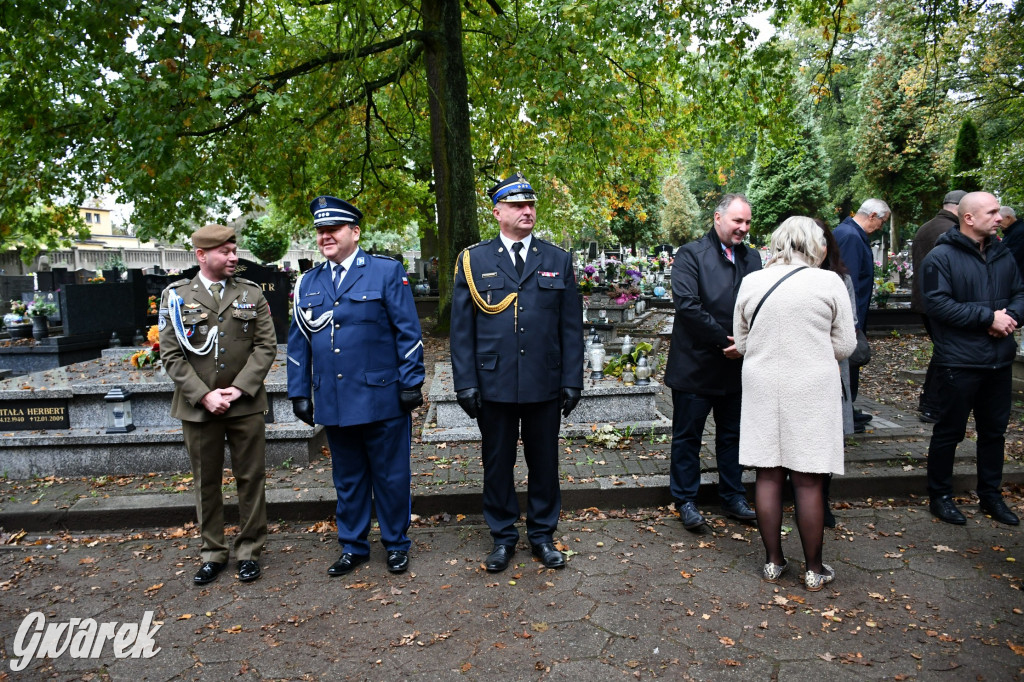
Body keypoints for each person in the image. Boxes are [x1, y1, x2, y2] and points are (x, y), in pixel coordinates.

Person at [450, 172, 584, 572]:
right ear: (497, 212)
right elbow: (462, 330)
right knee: (497, 463)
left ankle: (542, 535)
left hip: (545, 380)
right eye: (517, 205)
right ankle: (503, 536)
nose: (527, 211)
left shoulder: (557, 259)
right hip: (494, 383)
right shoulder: (474, 260)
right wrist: (466, 383)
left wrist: (572, 379)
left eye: (531, 205)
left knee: (544, 463)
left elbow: (571, 326)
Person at [287, 196, 425, 576]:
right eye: (320, 231)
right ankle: (353, 546)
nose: (325, 237)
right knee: (347, 478)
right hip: (333, 398)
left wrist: (412, 382)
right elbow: (298, 342)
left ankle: (396, 544)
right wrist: (299, 391)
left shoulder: (384, 272)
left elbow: (408, 332)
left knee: (391, 476)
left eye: (332, 229)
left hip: (383, 397)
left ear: (355, 232)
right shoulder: (308, 282)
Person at [734, 217, 857, 591]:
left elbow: (741, 343)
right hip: (810, 387)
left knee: (767, 474)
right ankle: (814, 569)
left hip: (762, 385)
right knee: (807, 479)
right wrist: (812, 351)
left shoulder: (752, 281)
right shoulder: (828, 281)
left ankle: (773, 562)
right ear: (814, 244)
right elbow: (846, 346)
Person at [159, 224, 277, 585]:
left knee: (251, 478)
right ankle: (212, 552)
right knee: (205, 482)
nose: (233, 257)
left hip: (245, 405)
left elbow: (265, 346)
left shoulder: (251, 293)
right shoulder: (176, 296)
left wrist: (239, 389)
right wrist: (204, 394)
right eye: (225, 252)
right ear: (201, 255)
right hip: (198, 407)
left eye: (234, 250)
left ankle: (249, 551)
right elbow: (171, 354)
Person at [920, 191, 1024, 526]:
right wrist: (987, 318)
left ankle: (991, 496)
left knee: (994, 433)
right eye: (992, 212)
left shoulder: (1002, 253)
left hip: (999, 360)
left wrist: (1012, 318)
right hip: (960, 361)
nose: (999, 217)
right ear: (969, 218)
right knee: (949, 432)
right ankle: (941, 496)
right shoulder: (941, 257)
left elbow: (1020, 292)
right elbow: (937, 304)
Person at [664, 193, 761, 531]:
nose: (743, 228)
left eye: (747, 222)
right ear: (718, 218)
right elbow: (688, 306)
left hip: (737, 367)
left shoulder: (753, 258)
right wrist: (726, 341)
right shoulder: (692, 255)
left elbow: (761, 304)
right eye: (738, 221)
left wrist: (746, 343)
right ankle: (686, 500)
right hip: (696, 365)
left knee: (733, 436)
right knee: (687, 436)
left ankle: (733, 496)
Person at [833, 198, 891, 427]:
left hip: (855, 313)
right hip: (851, 315)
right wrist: (852, 321)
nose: (881, 227)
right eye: (882, 221)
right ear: (873, 215)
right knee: (850, 360)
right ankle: (847, 410)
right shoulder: (850, 236)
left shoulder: (850, 233)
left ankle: (850, 408)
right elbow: (849, 282)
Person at [910, 190, 966, 423]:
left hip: (926, 300)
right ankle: (933, 404)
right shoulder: (949, 230)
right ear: (959, 207)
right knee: (946, 352)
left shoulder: (927, 226)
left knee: (942, 351)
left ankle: (931, 403)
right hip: (941, 301)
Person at [818, 219, 859, 528]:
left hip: (830, 367)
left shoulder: (839, 279)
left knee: (826, 436)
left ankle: (823, 500)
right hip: (795, 371)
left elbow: (849, 325)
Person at [999, 206, 1024, 274]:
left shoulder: (1020, 232)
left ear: (1008, 218)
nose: (998, 224)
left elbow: (1012, 256)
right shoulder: (1011, 231)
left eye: (999, 221)